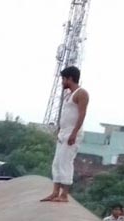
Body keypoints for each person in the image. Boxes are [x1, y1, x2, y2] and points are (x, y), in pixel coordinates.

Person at [41, 65, 89, 203]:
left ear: (70, 78)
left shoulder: (81, 93)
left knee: (66, 162)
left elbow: (82, 114)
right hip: (64, 132)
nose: (62, 82)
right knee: (57, 162)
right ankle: (55, 192)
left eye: (63, 79)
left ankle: (64, 195)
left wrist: (74, 132)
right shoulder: (69, 95)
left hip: (72, 132)